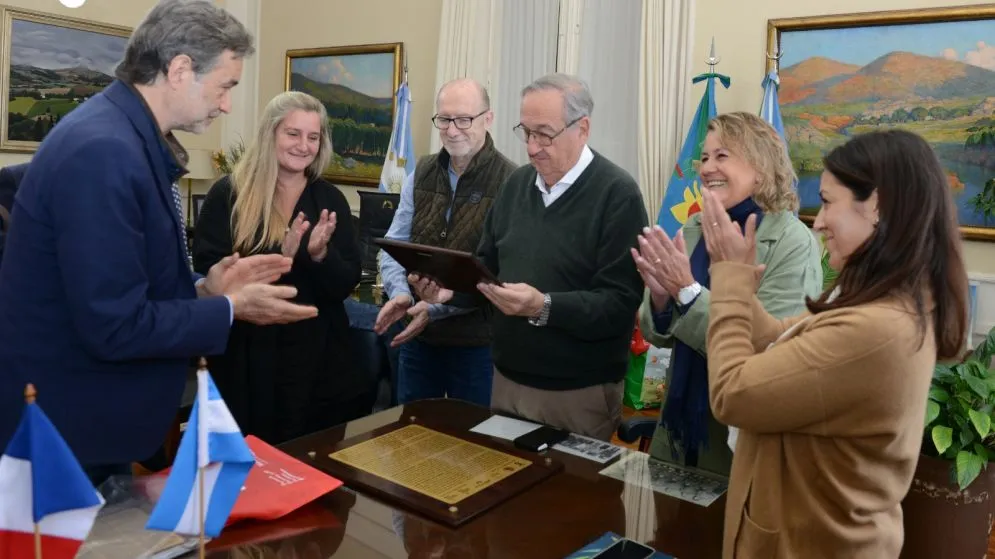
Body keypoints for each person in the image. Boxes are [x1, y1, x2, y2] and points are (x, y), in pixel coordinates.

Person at [0, 0, 317, 485]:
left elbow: (126, 277)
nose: (228, 103)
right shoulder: (104, 151)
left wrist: (203, 288)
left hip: (83, 420)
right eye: (226, 85)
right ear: (180, 69)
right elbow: (113, 324)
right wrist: (230, 307)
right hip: (69, 430)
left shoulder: (122, 135)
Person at [699, 129, 968, 557]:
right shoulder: (884, 302)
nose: (818, 221)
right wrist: (726, 285)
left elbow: (732, 393)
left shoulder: (877, 330)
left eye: (826, 202)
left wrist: (729, 277)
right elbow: (779, 335)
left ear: (877, 206)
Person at [412, 73, 649, 441]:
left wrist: (544, 306)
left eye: (545, 134)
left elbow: (619, 304)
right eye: (526, 132)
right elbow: (486, 269)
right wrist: (447, 293)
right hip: (506, 381)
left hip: (577, 393)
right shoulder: (516, 184)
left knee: (568, 497)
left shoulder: (617, 195)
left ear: (582, 128)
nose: (533, 147)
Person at [630, 112, 822, 474]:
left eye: (722, 156)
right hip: (674, 438)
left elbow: (771, 352)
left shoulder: (792, 242)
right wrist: (658, 299)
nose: (706, 169)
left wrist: (685, 292)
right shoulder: (695, 226)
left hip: (738, 450)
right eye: (704, 157)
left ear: (761, 168)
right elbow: (661, 336)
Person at [194, 91, 368, 443]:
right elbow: (212, 277)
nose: (304, 145)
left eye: (313, 137)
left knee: (313, 460)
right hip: (248, 359)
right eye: (293, 133)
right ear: (270, 134)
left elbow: (345, 282)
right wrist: (281, 256)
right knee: (253, 463)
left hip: (318, 360)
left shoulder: (329, 199)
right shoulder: (228, 195)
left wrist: (318, 255)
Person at [373, 78, 516, 406]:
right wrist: (399, 296)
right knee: (411, 437)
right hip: (418, 340)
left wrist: (435, 307)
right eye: (444, 120)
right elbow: (396, 243)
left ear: (488, 118)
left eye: (463, 119)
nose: (452, 130)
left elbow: (504, 274)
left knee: (472, 447)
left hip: (477, 348)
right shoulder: (420, 172)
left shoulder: (513, 181)